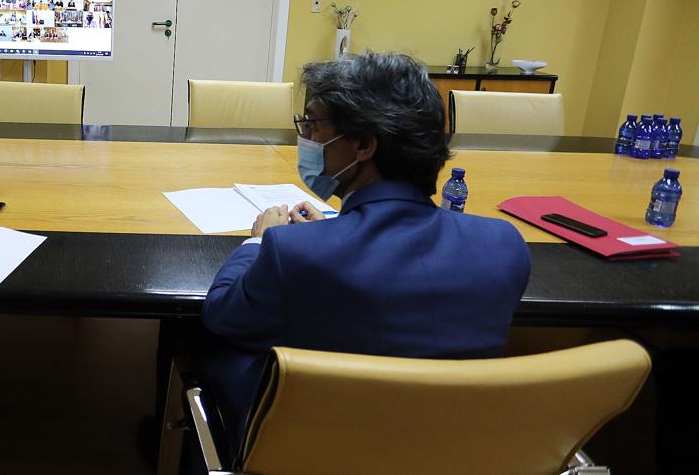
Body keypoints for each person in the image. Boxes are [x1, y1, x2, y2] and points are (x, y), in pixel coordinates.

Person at [180, 52, 530, 452]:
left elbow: (223, 313)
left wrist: (259, 240)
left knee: (192, 337)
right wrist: (331, 235)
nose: (306, 137)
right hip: (445, 447)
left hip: (312, 447)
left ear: (363, 144)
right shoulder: (506, 246)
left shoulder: (290, 250)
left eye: (312, 124)